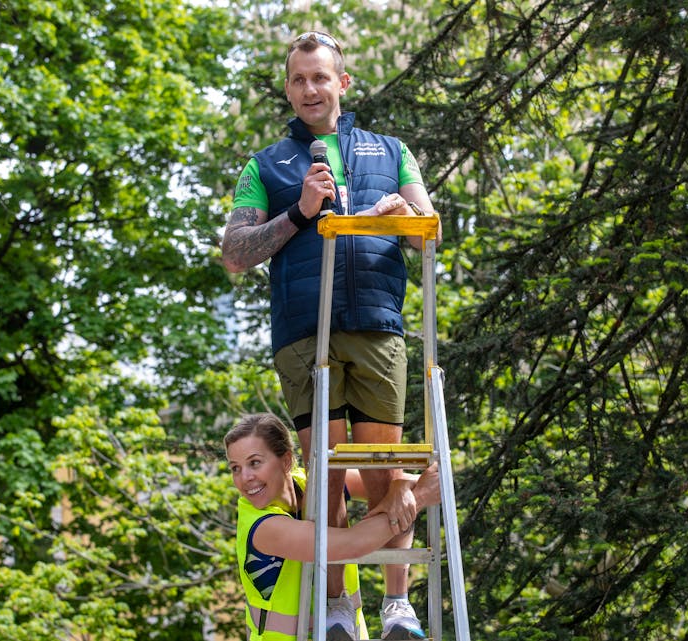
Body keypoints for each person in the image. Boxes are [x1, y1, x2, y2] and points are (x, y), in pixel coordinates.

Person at [221, 28, 442, 641]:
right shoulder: (266, 165)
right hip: (303, 330)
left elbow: (431, 228)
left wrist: (402, 213)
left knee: (383, 467)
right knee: (322, 469)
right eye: (298, 79)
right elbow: (235, 254)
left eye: (320, 77)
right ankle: (340, 604)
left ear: (342, 83)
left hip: (376, 321)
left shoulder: (391, 150)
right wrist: (298, 213)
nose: (309, 88)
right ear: (288, 90)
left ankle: (398, 604)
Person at [225, 413, 441, 641]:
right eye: (235, 468)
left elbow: (393, 483)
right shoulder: (261, 526)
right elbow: (353, 543)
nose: (244, 477)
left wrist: (400, 486)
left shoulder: (311, 483)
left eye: (254, 463)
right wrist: (420, 497)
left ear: (286, 461)